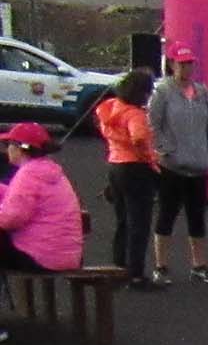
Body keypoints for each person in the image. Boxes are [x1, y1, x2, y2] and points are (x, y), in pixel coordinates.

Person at [145, 43, 208, 284]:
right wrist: (166, 150)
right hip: (172, 166)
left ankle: (199, 265)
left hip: (199, 165)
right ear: (172, 64)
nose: (187, 68)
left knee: (197, 216)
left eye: (190, 64)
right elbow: (152, 124)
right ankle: (161, 265)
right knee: (167, 213)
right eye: (182, 63)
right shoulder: (162, 92)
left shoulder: (202, 92)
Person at [94, 70, 160, 293]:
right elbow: (139, 137)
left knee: (122, 221)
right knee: (139, 223)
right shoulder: (135, 114)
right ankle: (136, 274)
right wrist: (148, 158)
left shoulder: (111, 107)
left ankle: (119, 266)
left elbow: (105, 127)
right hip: (135, 168)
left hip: (115, 165)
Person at [0, 124, 84, 284]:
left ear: (20, 148)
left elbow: (11, 220)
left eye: (8, 144)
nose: (6, 149)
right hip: (67, 256)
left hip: (39, 257)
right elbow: (20, 197)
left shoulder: (29, 175)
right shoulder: (49, 171)